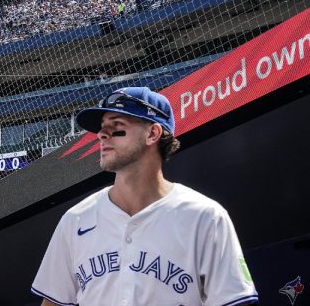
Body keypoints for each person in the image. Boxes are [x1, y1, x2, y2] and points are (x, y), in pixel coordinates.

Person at [31, 87, 258, 306]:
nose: (102, 134)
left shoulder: (205, 216)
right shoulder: (76, 219)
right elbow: (54, 302)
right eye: (102, 128)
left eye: (117, 126)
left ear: (152, 133)